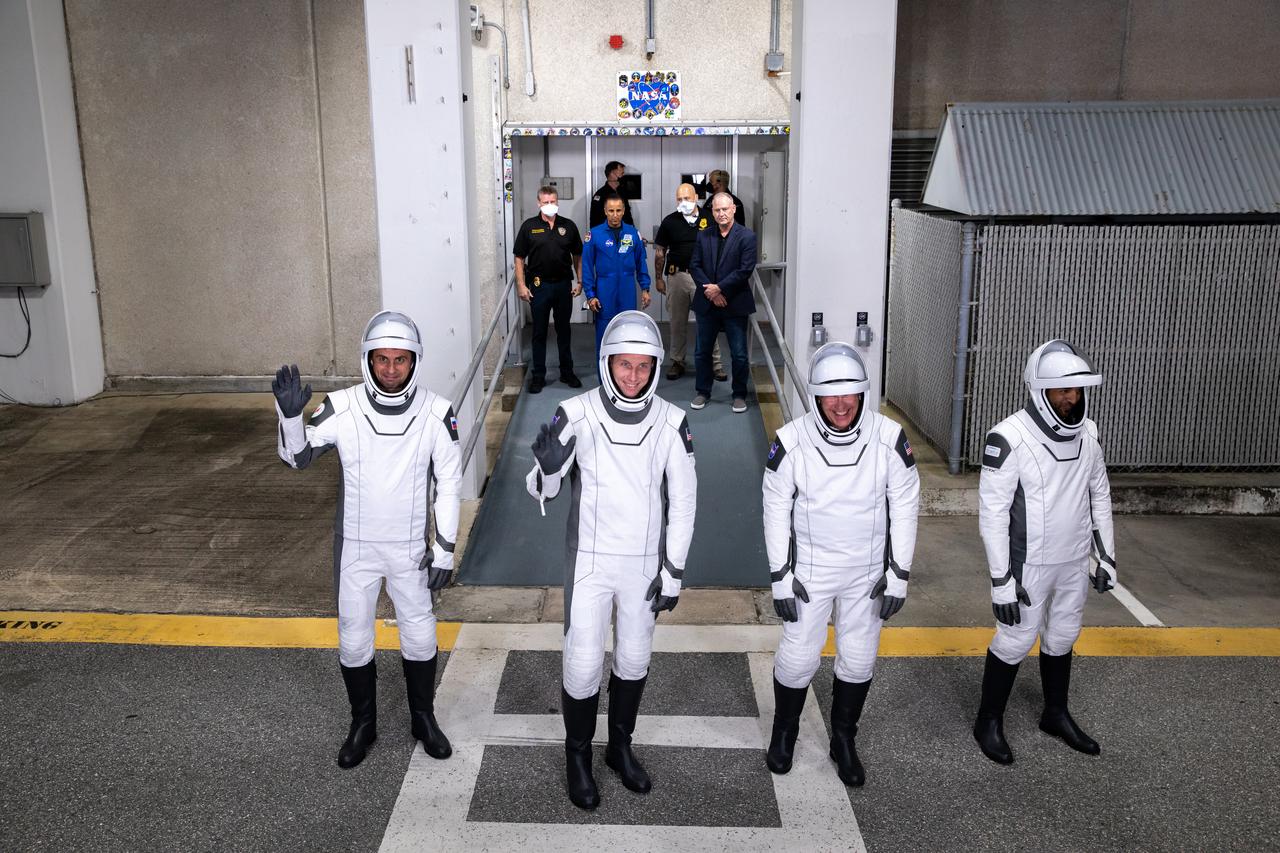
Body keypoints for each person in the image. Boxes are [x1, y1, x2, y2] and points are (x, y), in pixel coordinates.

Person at [525, 310, 697, 810]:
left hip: (644, 565)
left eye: (644, 366)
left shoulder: (672, 421)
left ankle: (619, 748)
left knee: (634, 658)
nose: (634, 376)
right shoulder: (574, 413)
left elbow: (684, 503)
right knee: (582, 665)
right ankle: (577, 757)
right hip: (591, 564)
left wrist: (674, 570)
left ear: (656, 368)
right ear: (607, 363)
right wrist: (550, 472)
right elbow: (538, 489)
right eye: (625, 365)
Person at [272, 311, 458, 769]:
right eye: (381, 359)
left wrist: (446, 548)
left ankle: (423, 719)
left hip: (411, 550)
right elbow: (296, 459)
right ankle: (363, 724)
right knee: (354, 641)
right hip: (355, 548)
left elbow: (450, 483)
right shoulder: (342, 406)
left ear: (415, 361)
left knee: (419, 636)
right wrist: (290, 417)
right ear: (367, 360)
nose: (391, 369)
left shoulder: (437, 411)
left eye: (400, 360)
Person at [762, 342, 920, 787]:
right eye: (831, 394)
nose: (841, 403)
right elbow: (775, 510)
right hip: (808, 574)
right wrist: (780, 578)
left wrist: (899, 575)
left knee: (858, 660)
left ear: (863, 392)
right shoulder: (790, 441)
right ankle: (785, 731)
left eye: (849, 392)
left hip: (867, 575)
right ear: (814, 395)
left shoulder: (890, 437)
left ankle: (843, 740)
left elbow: (905, 505)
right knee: (796, 661)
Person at [973, 339, 1117, 765]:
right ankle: (988, 721)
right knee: (1015, 640)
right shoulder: (1008, 437)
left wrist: (1106, 555)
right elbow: (992, 516)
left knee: (1062, 637)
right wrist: (1001, 581)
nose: (1072, 398)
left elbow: (1100, 495)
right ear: (1040, 391)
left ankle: (1056, 713)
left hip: (1073, 561)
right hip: (1027, 565)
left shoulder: (1088, 434)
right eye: (1062, 390)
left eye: (1076, 390)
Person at [690, 191, 757, 413]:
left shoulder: (747, 236)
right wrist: (711, 292)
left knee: (738, 353)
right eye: (717, 210)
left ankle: (739, 394)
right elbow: (695, 266)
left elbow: (744, 269)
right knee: (702, 351)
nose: (721, 214)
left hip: (735, 302)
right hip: (707, 302)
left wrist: (720, 288)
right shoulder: (704, 235)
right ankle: (703, 391)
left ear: (734, 209)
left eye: (725, 209)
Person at [514, 186, 584, 394]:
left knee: (564, 330)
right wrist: (521, 285)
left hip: (563, 285)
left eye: (553, 201)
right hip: (539, 286)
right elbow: (519, 257)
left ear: (557, 202)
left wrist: (580, 281)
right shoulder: (529, 227)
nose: (549, 205)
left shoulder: (568, 226)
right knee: (539, 332)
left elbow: (578, 256)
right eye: (545, 202)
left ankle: (567, 371)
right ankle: (538, 375)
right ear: (538, 203)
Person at [653, 183, 726, 382]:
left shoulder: (710, 218)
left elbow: (721, 248)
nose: (683, 202)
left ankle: (715, 363)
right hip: (677, 276)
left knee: (708, 321)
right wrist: (659, 278)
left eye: (687, 198)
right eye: (679, 199)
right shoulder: (670, 221)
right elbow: (660, 252)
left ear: (696, 197)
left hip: (703, 278)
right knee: (677, 322)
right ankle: (677, 361)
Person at [582, 196, 651, 363]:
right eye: (611, 211)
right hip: (604, 291)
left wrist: (645, 289)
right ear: (605, 211)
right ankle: (604, 380)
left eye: (618, 210)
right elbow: (587, 267)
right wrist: (590, 295)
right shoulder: (595, 235)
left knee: (627, 335)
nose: (615, 215)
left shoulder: (633, 233)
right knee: (605, 337)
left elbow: (641, 263)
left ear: (623, 211)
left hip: (627, 290)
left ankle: (623, 379)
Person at [589, 160, 634, 228]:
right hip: (606, 234)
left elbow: (627, 215)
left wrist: (632, 230)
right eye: (621, 173)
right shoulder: (600, 195)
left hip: (624, 233)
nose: (623, 176)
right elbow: (595, 220)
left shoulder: (622, 192)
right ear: (612, 174)